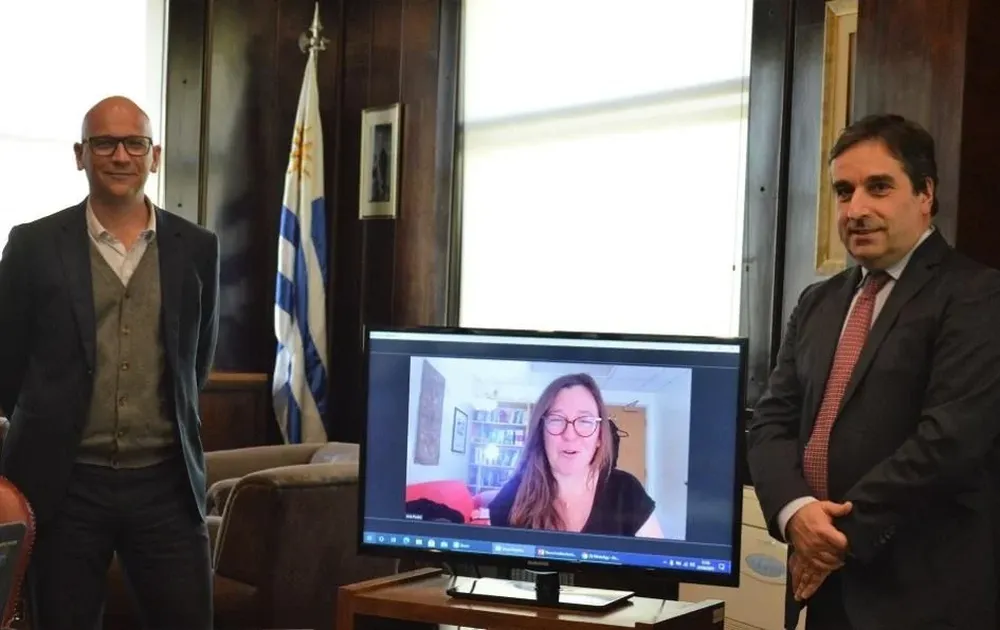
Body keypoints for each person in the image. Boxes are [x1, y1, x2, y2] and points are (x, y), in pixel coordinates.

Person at [747, 113, 1000, 630]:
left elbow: (948, 442)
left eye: (878, 187)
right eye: (844, 191)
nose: (856, 209)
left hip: (921, 596)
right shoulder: (817, 303)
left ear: (925, 193)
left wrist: (832, 538)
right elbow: (771, 422)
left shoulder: (977, 296)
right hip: (825, 592)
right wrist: (796, 513)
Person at [0, 96, 220, 629]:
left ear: (154, 155)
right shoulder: (31, 245)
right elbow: (4, 361)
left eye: (135, 144)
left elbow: (198, 362)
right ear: (81, 154)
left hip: (166, 485)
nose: (121, 156)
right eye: (105, 143)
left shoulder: (197, 247)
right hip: (62, 486)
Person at [488, 373, 664, 538]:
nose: (570, 435)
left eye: (585, 421)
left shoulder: (627, 492)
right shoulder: (509, 499)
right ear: (541, 433)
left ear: (599, 437)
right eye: (557, 420)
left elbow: (658, 566)